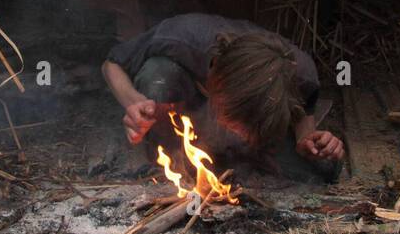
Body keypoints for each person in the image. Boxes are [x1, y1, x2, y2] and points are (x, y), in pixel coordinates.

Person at [101, 13, 344, 176]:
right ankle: (168, 155)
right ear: (214, 72)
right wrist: (135, 103)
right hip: (186, 99)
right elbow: (111, 64)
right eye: (229, 121)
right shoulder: (180, 37)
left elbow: (305, 111)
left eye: (238, 130)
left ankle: (237, 154)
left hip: (259, 122)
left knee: (323, 168)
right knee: (158, 75)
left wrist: (308, 139)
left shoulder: (299, 72)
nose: (230, 130)